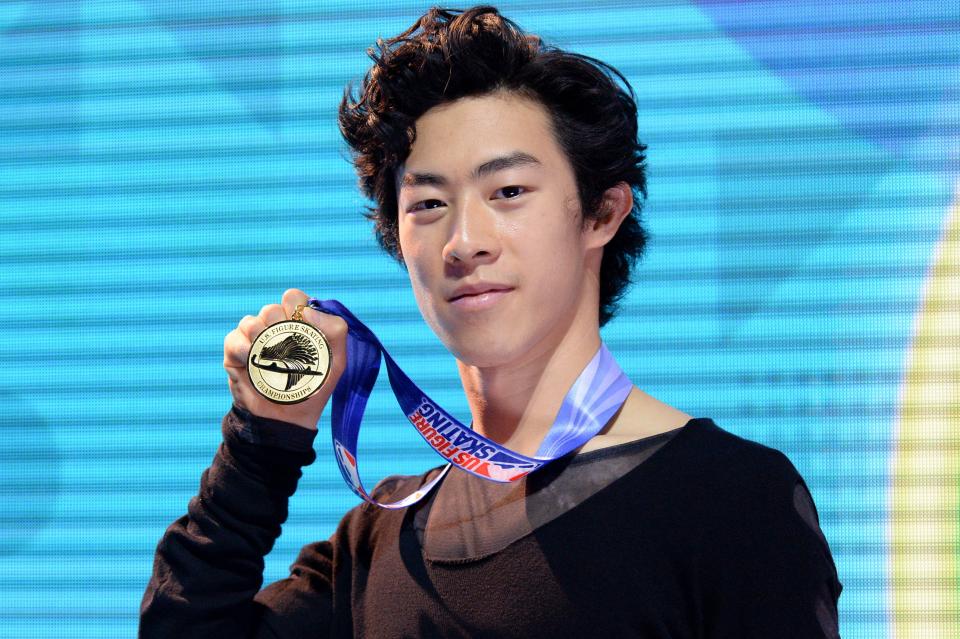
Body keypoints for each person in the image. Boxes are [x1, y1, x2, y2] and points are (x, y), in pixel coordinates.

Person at [140, 6, 842, 638]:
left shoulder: (730, 499)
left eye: (508, 191)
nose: (464, 240)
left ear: (602, 213)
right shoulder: (378, 544)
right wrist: (261, 438)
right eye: (428, 204)